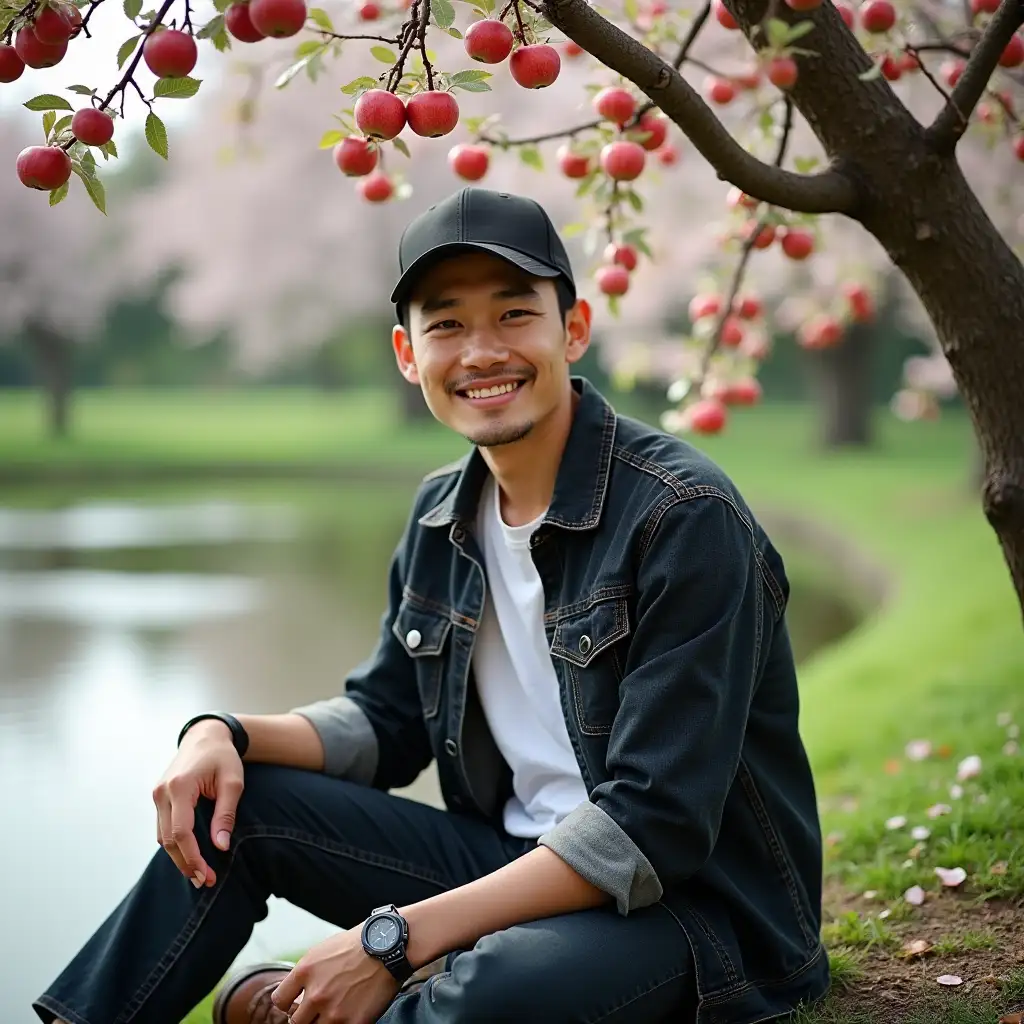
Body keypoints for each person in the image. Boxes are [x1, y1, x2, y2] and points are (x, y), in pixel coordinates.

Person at [33, 186, 830, 1024]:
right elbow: (385, 720)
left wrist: (396, 938)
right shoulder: (441, 513)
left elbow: (654, 824)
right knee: (241, 805)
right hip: (515, 872)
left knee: (498, 991)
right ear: (408, 355)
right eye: (446, 325)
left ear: (575, 328)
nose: (481, 352)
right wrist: (221, 733)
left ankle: (345, 1001)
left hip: (693, 913)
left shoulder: (681, 516)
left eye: (515, 315)